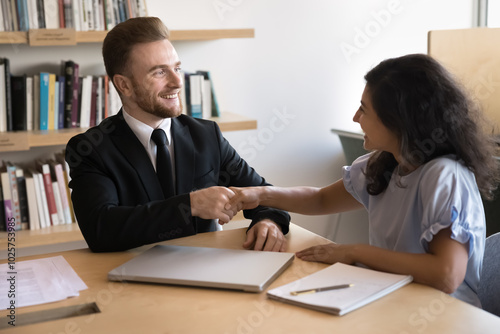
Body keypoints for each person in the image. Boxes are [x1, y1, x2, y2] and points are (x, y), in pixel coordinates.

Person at [226, 54, 500, 306]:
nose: (355, 118)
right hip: (395, 299)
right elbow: (320, 199)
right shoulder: (385, 163)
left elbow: (446, 274)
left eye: (364, 109)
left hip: (444, 315)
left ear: (400, 120)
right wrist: (260, 195)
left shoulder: (443, 175)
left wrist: (354, 252)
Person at [65, 17, 290, 253]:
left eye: (177, 68)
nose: (177, 82)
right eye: (160, 72)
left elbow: (266, 196)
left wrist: (268, 222)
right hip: (133, 279)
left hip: (207, 272)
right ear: (124, 85)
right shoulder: (91, 148)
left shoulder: (206, 135)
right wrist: (190, 205)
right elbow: (101, 230)